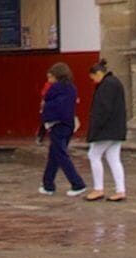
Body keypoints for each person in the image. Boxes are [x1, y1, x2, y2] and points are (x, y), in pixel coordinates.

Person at [37, 60, 86, 195]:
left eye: (51, 77)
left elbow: (52, 104)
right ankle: (48, 185)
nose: (49, 80)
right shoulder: (71, 88)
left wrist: (45, 109)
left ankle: (77, 183)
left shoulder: (56, 88)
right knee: (54, 155)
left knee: (61, 155)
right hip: (68, 124)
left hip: (58, 124)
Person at [85, 58, 130, 199]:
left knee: (93, 155)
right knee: (113, 158)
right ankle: (120, 190)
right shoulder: (114, 83)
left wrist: (95, 129)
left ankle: (98, 189)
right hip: (117, 128)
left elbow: (103, 109)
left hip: (107, 129)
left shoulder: (107, 85)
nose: (93, 81)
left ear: (98, 73)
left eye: (93, 77)